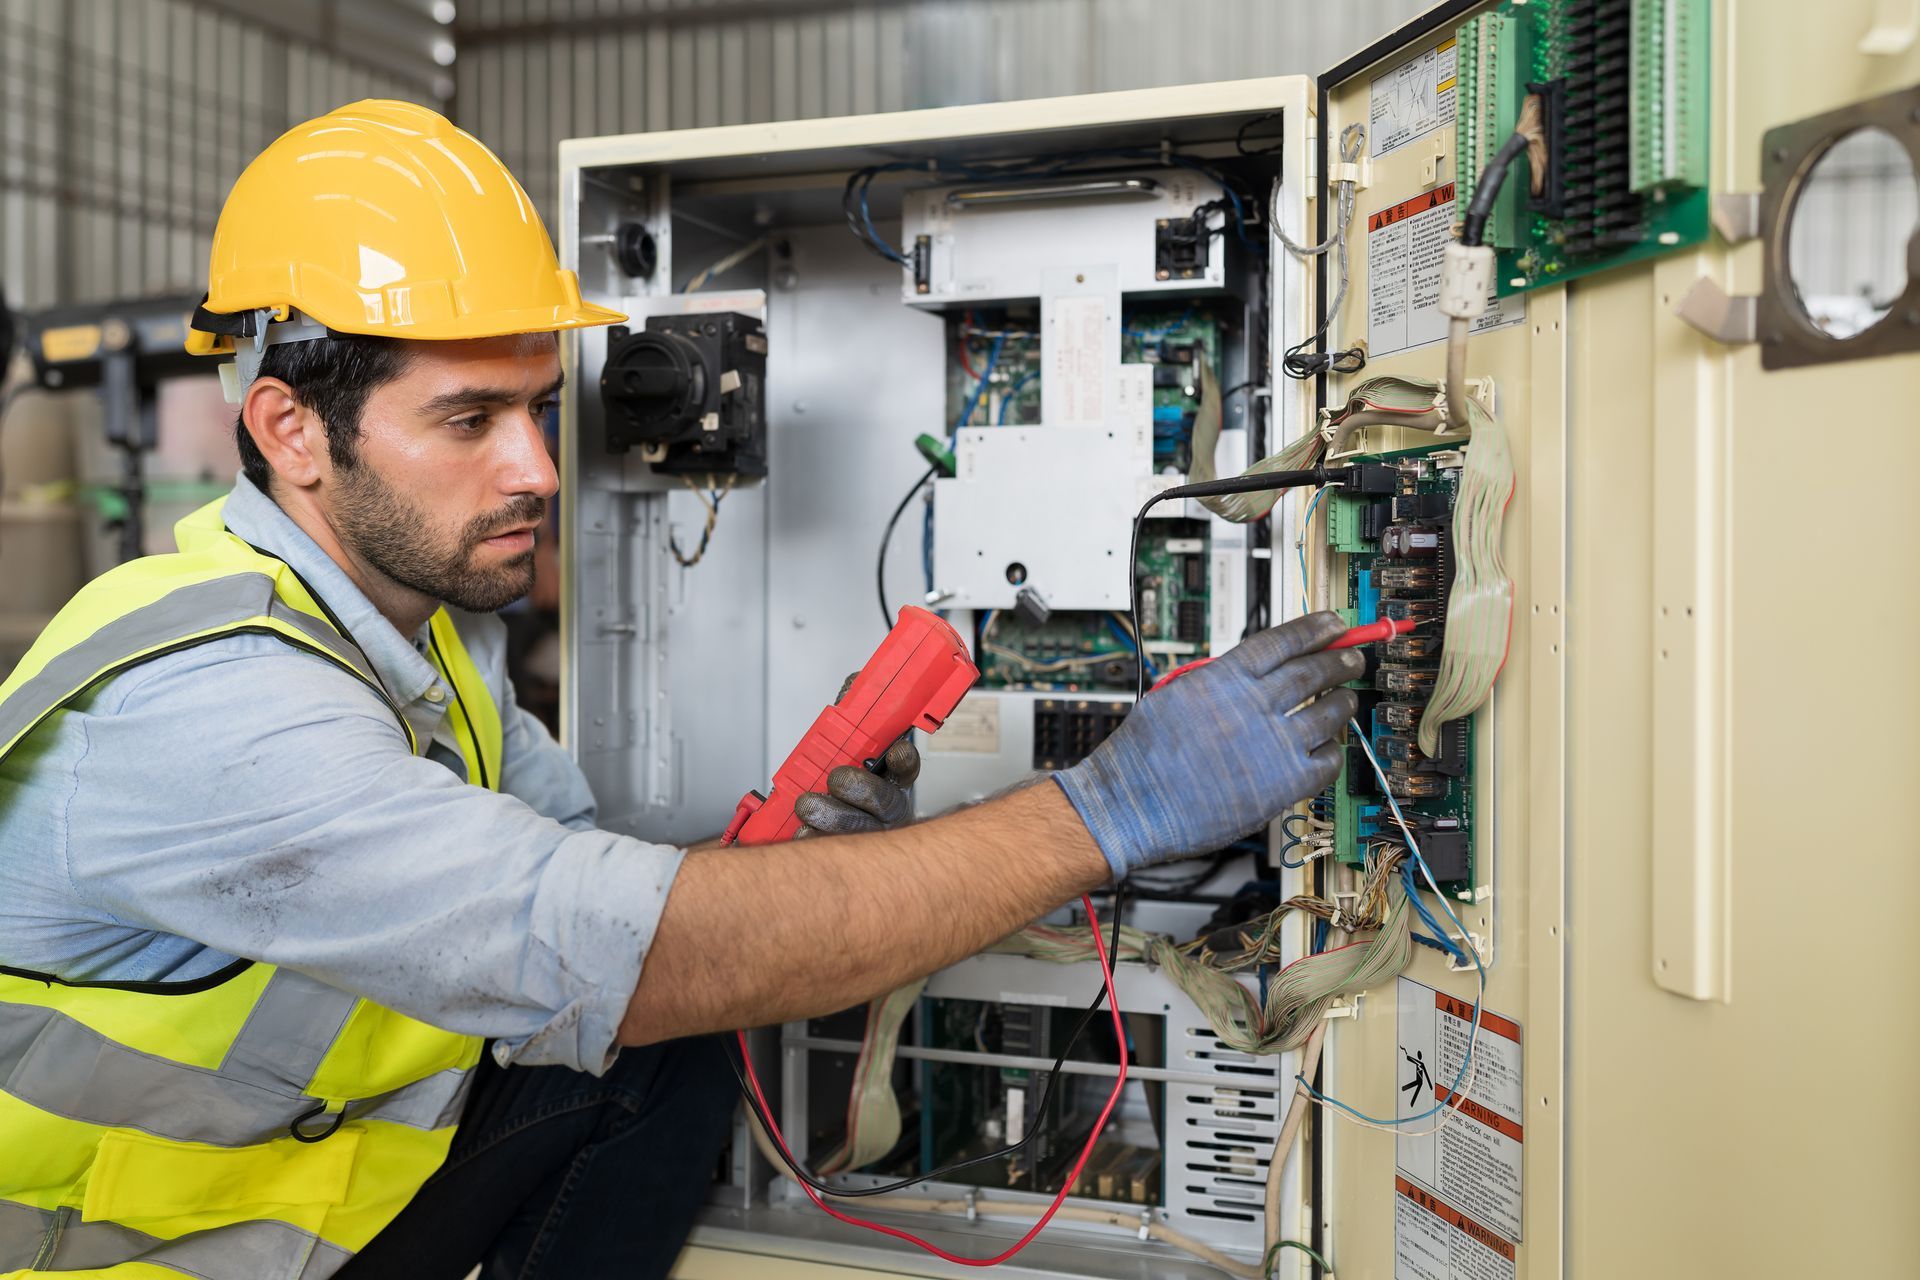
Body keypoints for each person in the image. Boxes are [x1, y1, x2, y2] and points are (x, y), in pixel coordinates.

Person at [0, 101, 1360, 1280]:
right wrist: (1109, 810)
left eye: (539, 406)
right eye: (470, 421)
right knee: (665, 1018)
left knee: (669, 1042)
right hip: (140, 1260)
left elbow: (621, 900)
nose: (537, 469)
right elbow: (628, 954)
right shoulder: (211, 705)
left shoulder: (420, 641)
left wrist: (791, 872)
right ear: (291, 429)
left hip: (316, 1208)